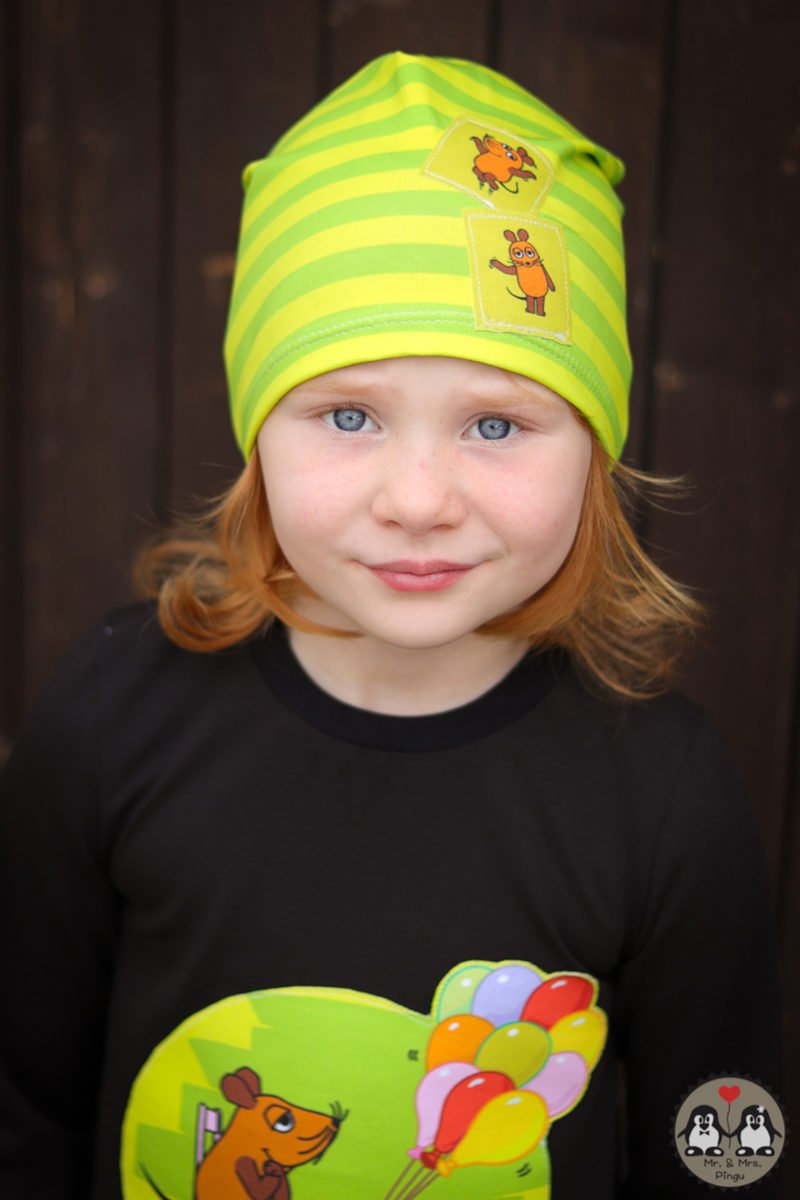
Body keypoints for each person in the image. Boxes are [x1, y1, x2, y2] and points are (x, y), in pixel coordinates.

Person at [0, 52, 782, 1200]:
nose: (417, 500)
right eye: (348, 414)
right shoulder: (113, 713)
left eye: (495, 425)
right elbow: (21, 1105)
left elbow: (725, 1150)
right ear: (257, 433)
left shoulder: (661, 792)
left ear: (594, 453)